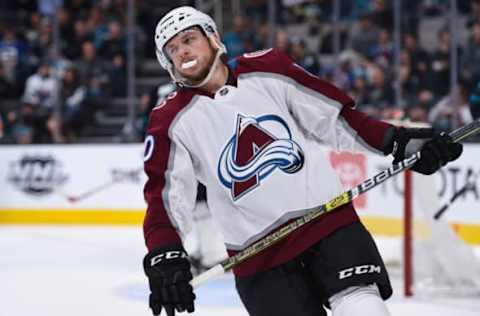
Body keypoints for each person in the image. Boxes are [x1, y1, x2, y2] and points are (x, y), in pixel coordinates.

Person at [142, 6, 463, 316]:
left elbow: (336, 121)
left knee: (363, 307)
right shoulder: (169, 120)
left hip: (326, 221)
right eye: (172, 49)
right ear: (167, 62)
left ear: (212, 38)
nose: (182, 51)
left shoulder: (268, 68)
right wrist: (164, 253)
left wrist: (397, 142)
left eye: (189, 39)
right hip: (257, 255)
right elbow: (166, 198)